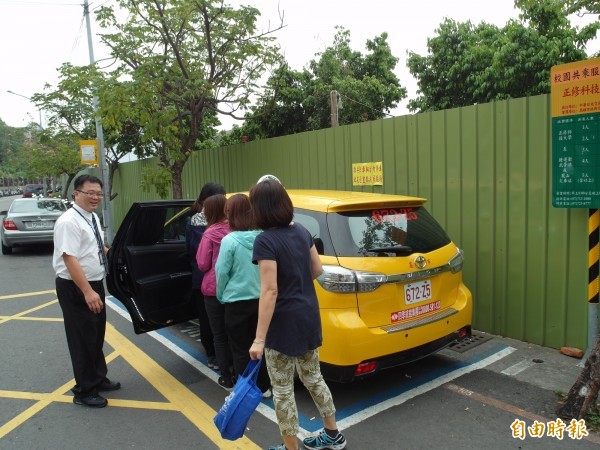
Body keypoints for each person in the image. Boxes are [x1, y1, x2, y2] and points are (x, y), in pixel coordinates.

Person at [249, 179, 347, 450]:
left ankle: (291, 447)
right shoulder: (302, 231)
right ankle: (333, 434)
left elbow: (270, 291)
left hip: (282, 326)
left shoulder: (265, 241)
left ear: (259, 209)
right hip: (307, 316)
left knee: (282, 391)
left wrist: (258, 339)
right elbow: (317, 270)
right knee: (313, 377)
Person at [52, 174, 120, 408]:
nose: (95, 197)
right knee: (82, 339)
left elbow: (92, 245)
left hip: (94, 283)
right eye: (90, 193)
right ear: (76, 194)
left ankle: (98, 378)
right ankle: (84, 391)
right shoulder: (69, 221)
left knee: (96, 334)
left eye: (99, 194)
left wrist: (112, 253)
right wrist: (88, 292)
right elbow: (69, 258)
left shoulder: (89, 217)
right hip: (77, 287)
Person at [215, 194, 271, 397]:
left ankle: (246, 389)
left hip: (236, 302)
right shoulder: (263, 237)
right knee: (260, 344)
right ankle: (264, 387)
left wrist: (221, 296)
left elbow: (221, 272)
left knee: (239, 349)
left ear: (230, 214)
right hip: (262, 301)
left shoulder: (229, 241)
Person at [185, 182, 225, 370]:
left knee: (207, 319)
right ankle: (224, 357)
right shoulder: (229, 223)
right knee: (224, 320)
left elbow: (192, 252)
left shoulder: (193, 221)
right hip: (226, 280)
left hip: (202, 279)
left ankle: (212, 356)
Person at [196, 194, 234, 389]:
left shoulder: (209, 234)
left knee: (218, 334)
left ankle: (226, 375)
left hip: (213, 289)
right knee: (235, 332)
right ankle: (238, 369)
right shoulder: (236, 230)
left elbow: (202, 264)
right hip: (235, 289)